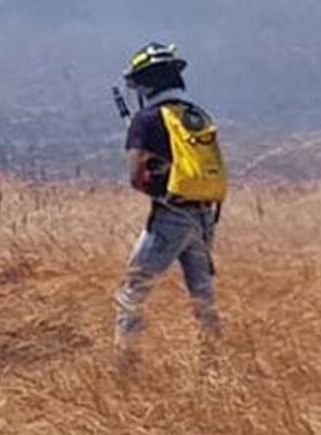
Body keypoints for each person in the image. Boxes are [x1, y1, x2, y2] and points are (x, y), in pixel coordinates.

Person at [114, 42, 228, 374]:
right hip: (205, 216)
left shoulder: (147, 120)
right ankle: (214, 371)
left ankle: (125, 376)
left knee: (130, 294)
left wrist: (157, 185)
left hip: (170, 217)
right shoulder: (196, 115)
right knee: (203, 299)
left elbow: (136, 177)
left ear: (145, 83)